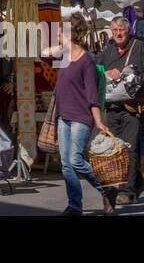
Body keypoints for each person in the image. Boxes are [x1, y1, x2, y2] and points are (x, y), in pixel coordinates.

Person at [44, 12, 113, 215]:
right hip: (63, 116)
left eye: (59, 34)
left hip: (81, 117)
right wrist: (63, 45)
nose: (56, 37)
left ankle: (106, 190)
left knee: (75, 159)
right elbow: (42, 54)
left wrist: (98, 121)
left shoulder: (87, 61)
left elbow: (92, 94)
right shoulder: (63, 58)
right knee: (66, 165)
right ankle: (75, 205)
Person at [98, 14, 144, 205]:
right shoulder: (108, 48)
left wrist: (133, 78)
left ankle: (128, 190)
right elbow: (95, 69)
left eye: (122, 31)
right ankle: (138, 182)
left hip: (131, 108)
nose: (118, 34)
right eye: (115, 30)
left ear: (128, 31)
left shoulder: (139, 47)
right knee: (112, 149)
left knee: (129, 149)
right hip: (111, 107)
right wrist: (105, 72)